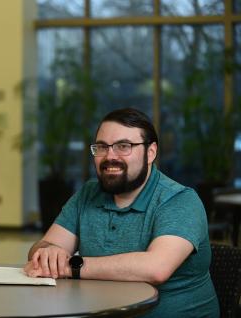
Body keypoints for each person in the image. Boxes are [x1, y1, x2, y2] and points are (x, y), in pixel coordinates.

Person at [24, 108, 219, 317]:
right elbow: (42, 248)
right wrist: (48, 253)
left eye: (123, 146)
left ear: (150, 152)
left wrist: (72, 266)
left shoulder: (180, 200)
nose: (110, 156)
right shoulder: (89, 193)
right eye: (101, 147)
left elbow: (157, 268)